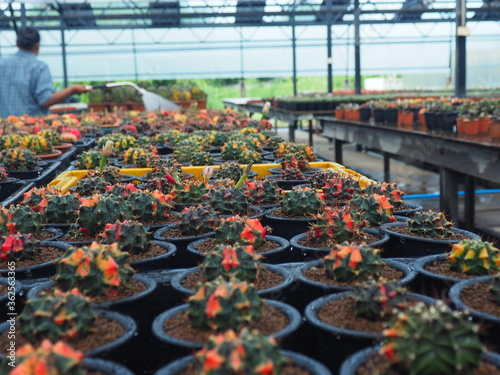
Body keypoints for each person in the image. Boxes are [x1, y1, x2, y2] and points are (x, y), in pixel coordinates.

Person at [0, 26, 90, 118]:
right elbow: (45, 100)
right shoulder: (39, 67)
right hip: (30, 126)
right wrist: (71, 90)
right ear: (37, 46)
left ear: (17, 44)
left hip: (2, 127)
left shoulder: (1, 63)